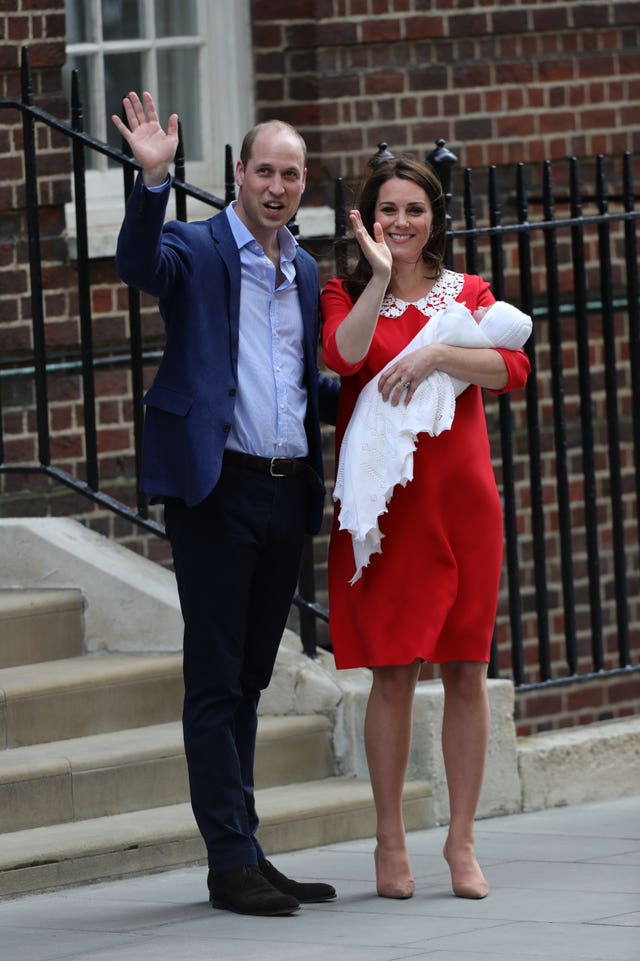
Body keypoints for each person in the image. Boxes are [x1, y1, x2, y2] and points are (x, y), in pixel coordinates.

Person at [112, 91, 338, 917]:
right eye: (264, 170)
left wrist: (359, 392)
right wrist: (151, 181)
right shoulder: (197, 247)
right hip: (215, 488)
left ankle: (245, 845)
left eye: (292, 174)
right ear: (238, 174)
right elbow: (138, 266)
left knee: (248, 678)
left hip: (285, 490)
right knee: (214, 679)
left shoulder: (304, 269)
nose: (277, 186)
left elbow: (297, 381)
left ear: (302, 185)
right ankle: (229, 861)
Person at [321, 157, 531, 901]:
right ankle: (388, 839)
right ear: (366, 218)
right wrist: (378, 277)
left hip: (463, 504)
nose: (401, 222)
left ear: (433, 218)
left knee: (467, 669)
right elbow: (341, 356)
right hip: (390, 512)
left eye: (414, 209)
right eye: (387, 209)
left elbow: (512, 368)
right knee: (394, 670)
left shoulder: (464, 294)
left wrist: (441, 351)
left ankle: (463, 839)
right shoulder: (346, 292)